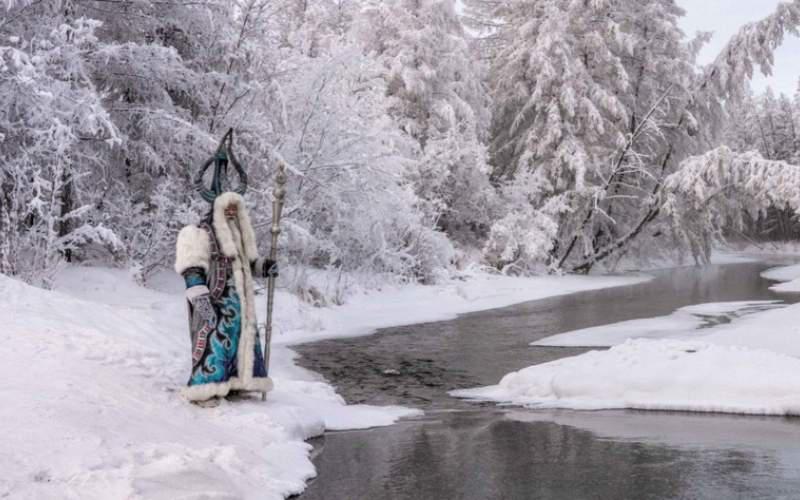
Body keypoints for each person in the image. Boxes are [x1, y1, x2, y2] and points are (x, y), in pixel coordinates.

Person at [174, 135, 278, 403]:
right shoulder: (199, 231)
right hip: (215, 299)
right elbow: (192, 268)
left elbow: (250, 263)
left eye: (236, 209)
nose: (232, 213)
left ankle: (238, 382)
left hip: (241, 303)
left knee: (241, 341)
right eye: (228, 208)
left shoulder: (240, 236)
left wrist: (265, 267)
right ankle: (205, 388)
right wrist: (202, 301)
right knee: (213, 344)